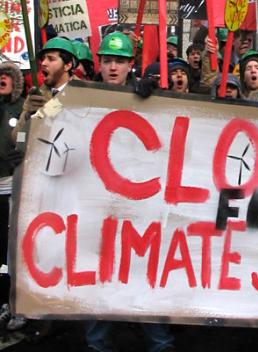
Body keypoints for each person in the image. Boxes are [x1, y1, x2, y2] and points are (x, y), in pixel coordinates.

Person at [85, 32, 173, 352]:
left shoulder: (145, 98)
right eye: (107, 60)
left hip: (139, 210)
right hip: (98, 208)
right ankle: (98, 343)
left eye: (119, 62)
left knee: (142, 274)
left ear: (130, 65)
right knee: (99, 279)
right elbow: (46, 123)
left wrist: (155, 97)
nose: (112, 67)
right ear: (99, 62)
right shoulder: (80, 97)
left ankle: (159, 341)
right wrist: (34, 108)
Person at [0, 61, 25, 331]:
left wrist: (24, 148)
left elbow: (27, 132)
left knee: (11, 249)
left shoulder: (21, 109)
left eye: (7, 76)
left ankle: (15, 302)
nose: (2, 79)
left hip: (11, 185)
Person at [14, 37, 78, 139]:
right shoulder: (37, 97)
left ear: (67, 65)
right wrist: (27, 115)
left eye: (51, 59)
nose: (43, 63)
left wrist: (49, 111)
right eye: (43, 59)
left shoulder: (84, 93)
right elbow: (19, 139)